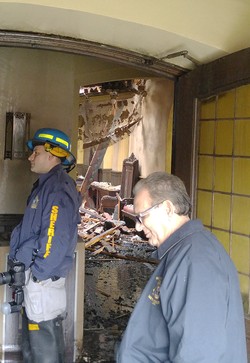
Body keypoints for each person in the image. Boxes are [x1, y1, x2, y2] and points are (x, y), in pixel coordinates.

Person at [117, 171, 247, 363]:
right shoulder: (182, 251)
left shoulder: (196, 261)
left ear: (168, 208)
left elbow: (198, 354)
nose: (138, 227)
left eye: (142, 216)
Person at [8, 128, 81, 363]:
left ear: (52, 155)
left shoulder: (57, 188)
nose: (30, 157)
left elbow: (55, 236)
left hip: (43, 280)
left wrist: (38, 274)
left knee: (44, 343)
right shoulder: (45, 186)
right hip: (36, 278)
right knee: (34, 341)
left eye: (35, 152)